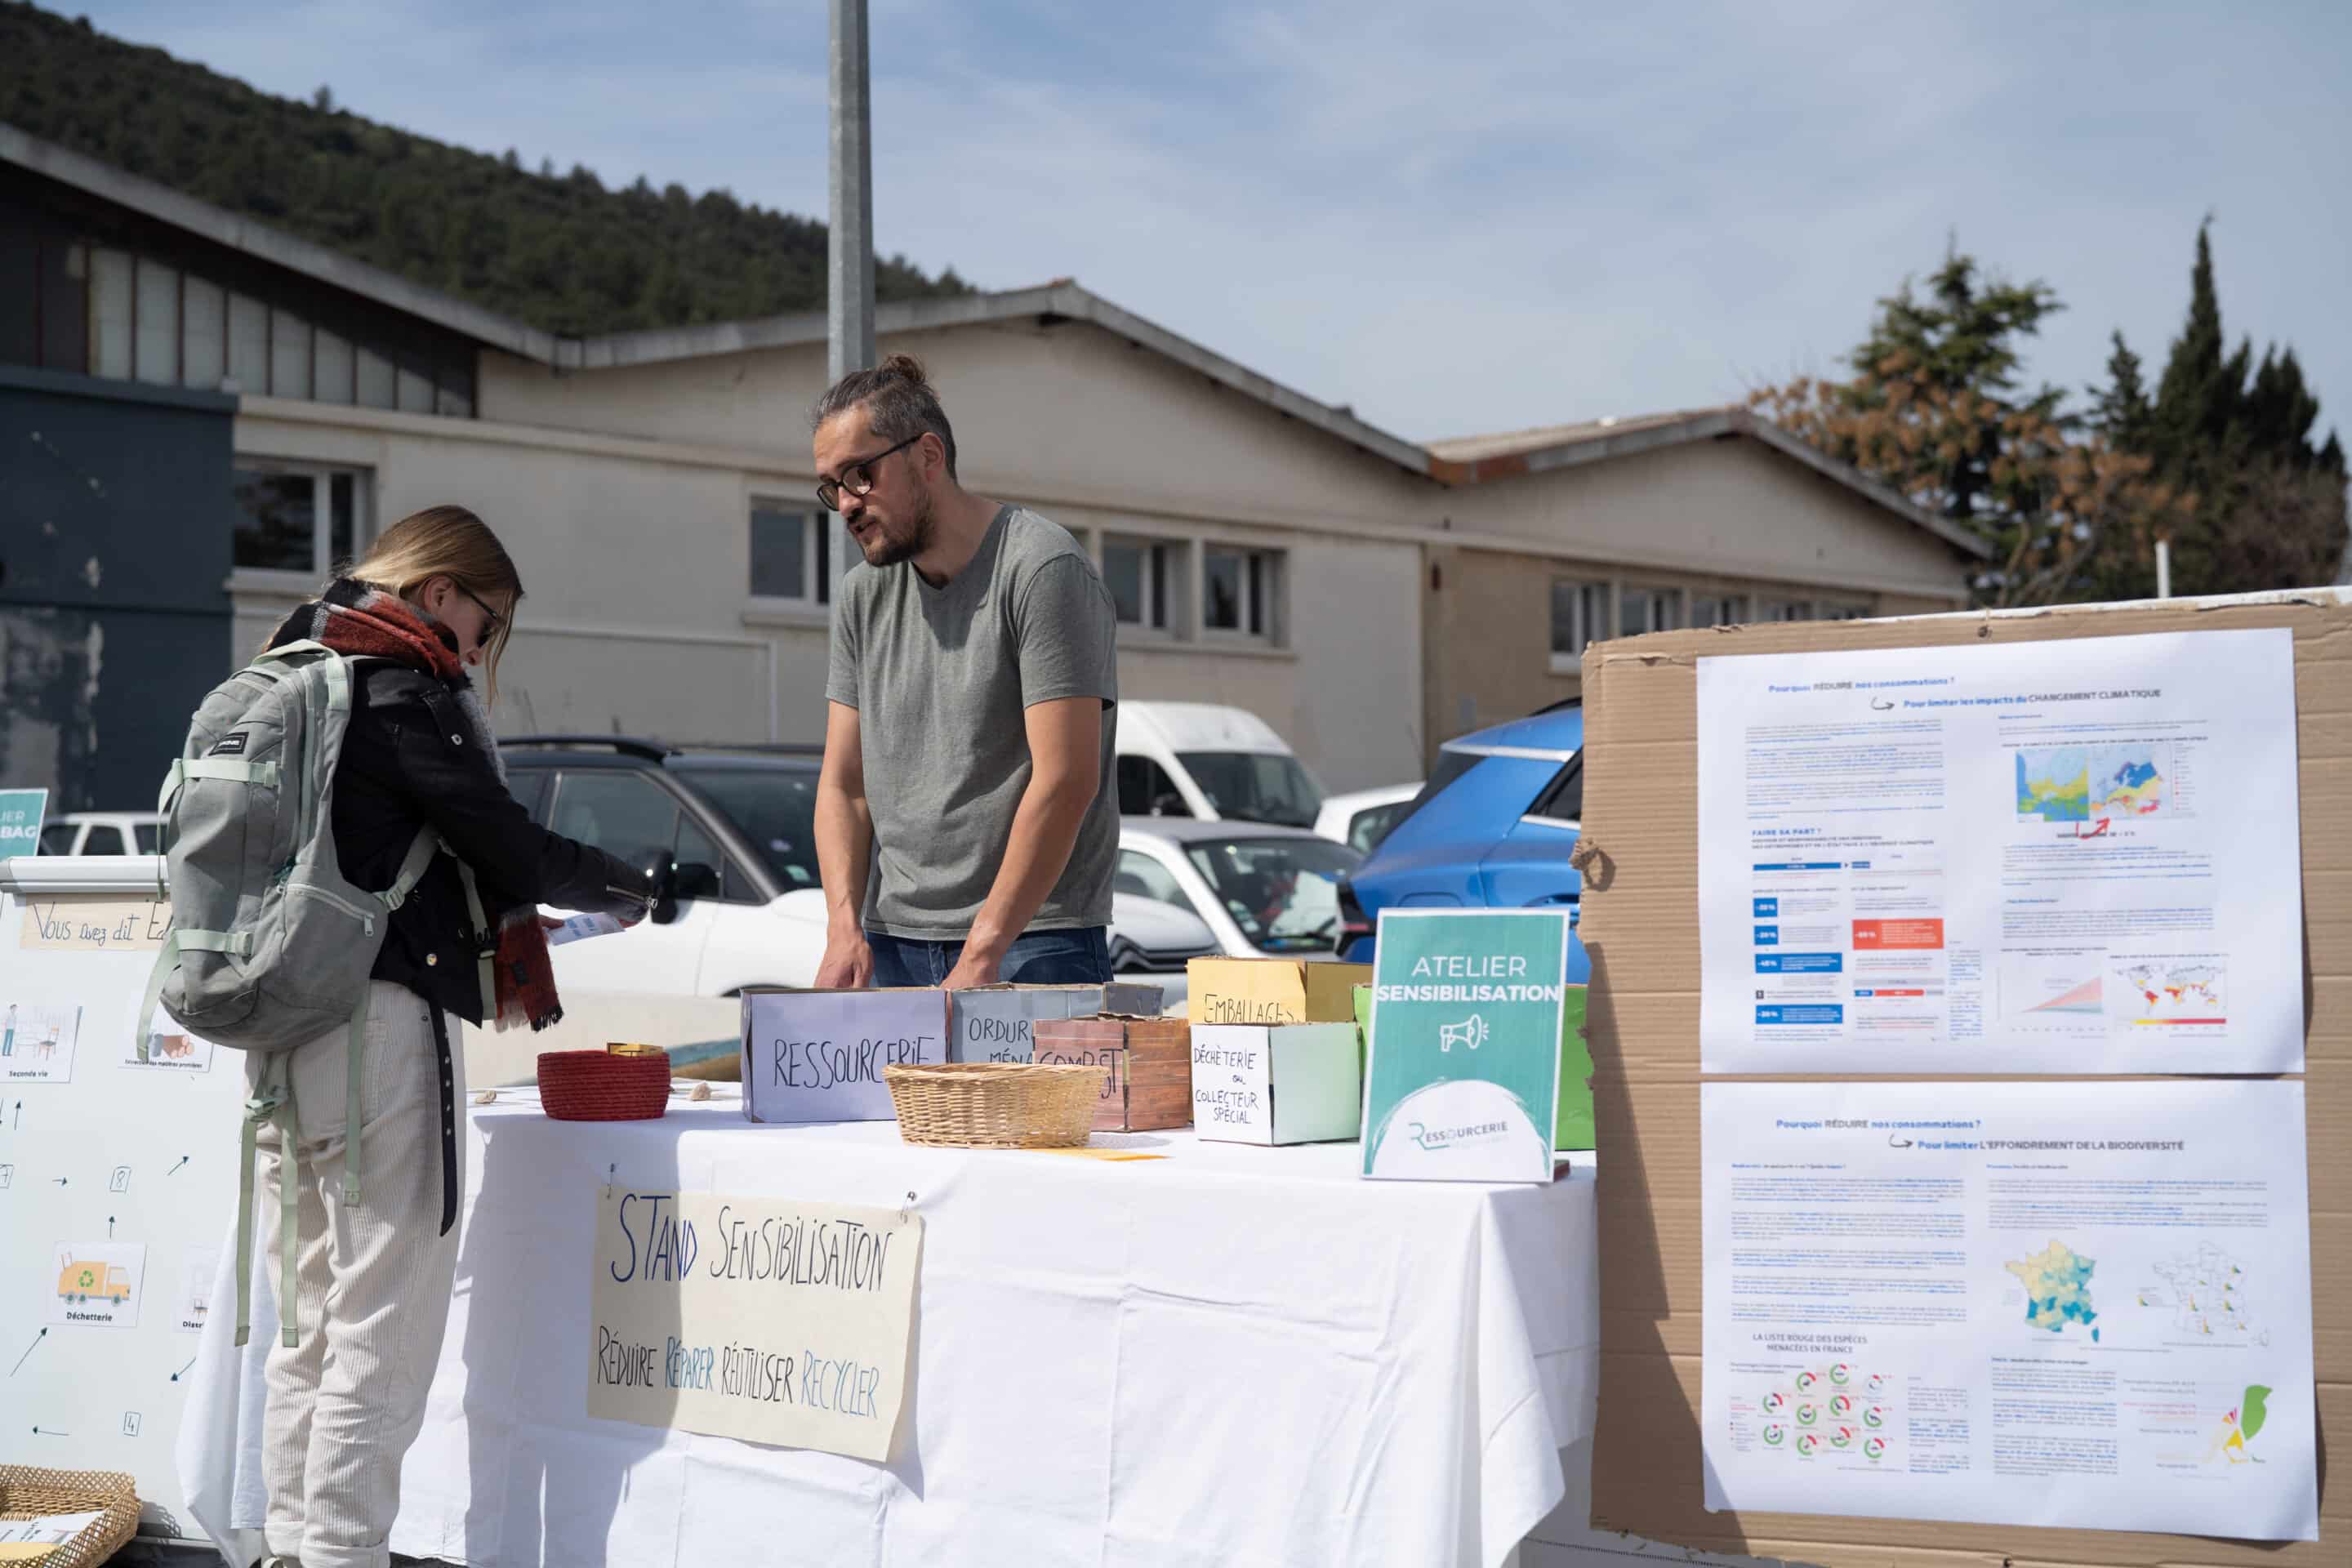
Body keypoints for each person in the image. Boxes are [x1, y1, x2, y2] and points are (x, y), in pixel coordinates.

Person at [250, 506, 657, 1568]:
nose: (477, 653)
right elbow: (505, 846)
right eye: (485, 624)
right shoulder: (397, 684)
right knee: (383, 1325)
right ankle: (338, 1556)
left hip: (282, 1025)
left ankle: (296, 1550)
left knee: (307, 1320)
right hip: (380, 1021)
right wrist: (626, 884)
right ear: (439, 592)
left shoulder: (296, 662)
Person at [811, 354, 1120, 990]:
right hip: (891, 944)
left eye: (860, 475)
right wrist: (843, 928)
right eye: (832, 486)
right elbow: (845, 786)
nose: (845, 503)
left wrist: (982, 954)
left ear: (928, 455)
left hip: (1033, 944)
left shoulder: (1040, 568)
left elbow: (1066, 779)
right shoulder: (860, 596)